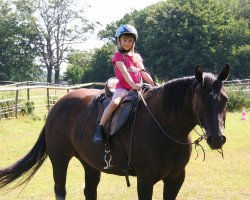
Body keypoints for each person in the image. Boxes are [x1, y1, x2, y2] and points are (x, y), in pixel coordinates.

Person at [92, 24, 156, 143]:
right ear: (119, 41)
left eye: (130, 40)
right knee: (114, 103)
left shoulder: (137, 57)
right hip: (124, 88)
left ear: (133, 42)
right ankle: (100, 128)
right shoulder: (118, 56)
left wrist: (153, 84)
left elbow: (143, 72)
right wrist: (133, 85)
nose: (127, 43)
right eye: (124, 40)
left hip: (139, 87)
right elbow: (125, 73)